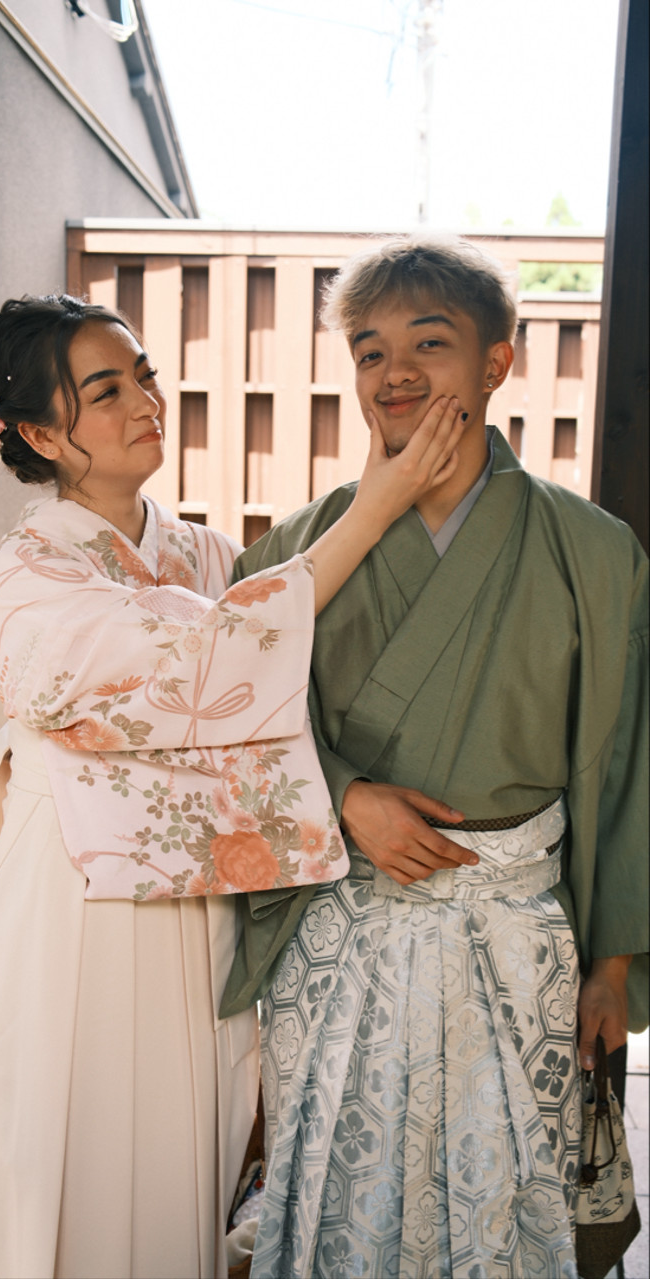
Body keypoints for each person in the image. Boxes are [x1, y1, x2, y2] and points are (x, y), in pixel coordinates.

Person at [0, 293, 468, 1279]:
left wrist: (349, 787)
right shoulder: (25, 578)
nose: (146, 402)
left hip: (197, 898)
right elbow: (208, 657)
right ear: (42, 435)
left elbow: (287, 673)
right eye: (106, 391)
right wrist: (376, 503)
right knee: (73, 1152)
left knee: (187, 1154)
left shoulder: (206, 554)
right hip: (69, 902)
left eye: (144, 376)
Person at [220, 235, 649, 1278]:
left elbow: (624, 763)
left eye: (428, 342)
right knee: (341, 1197)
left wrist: (610, 966)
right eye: (369, 351)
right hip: (341, 929)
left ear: (496, 361)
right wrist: (342, 794)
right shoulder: (290, 555)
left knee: (505, 1200)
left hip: (518, 935)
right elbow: (231, 723)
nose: (395, 372)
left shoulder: (593, 551)